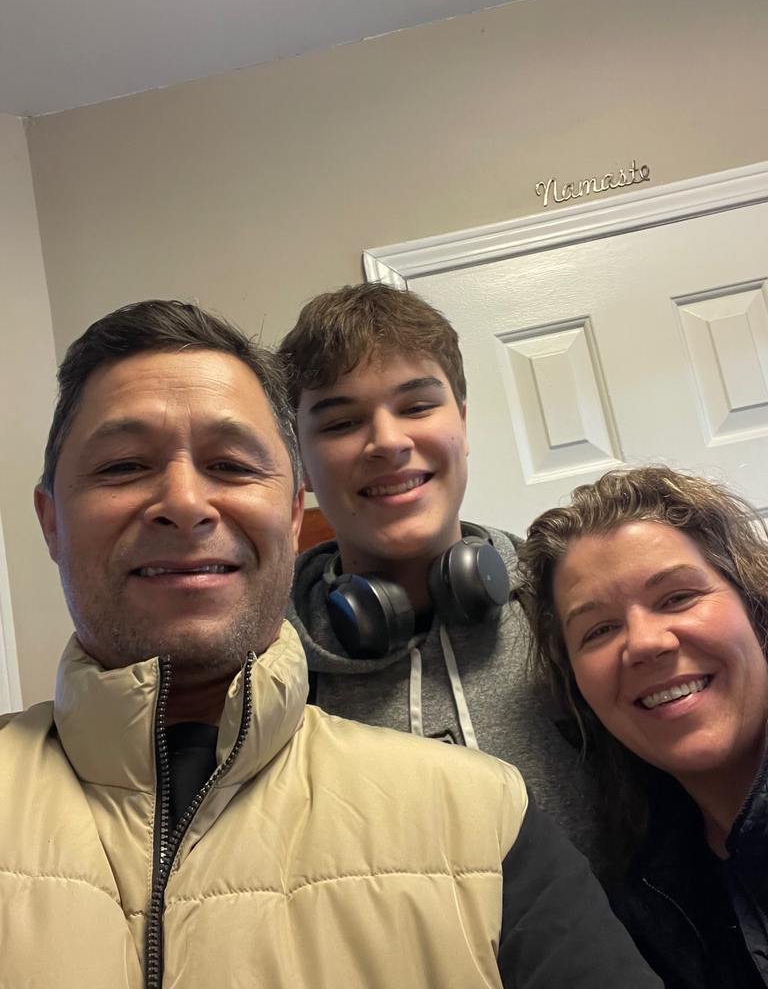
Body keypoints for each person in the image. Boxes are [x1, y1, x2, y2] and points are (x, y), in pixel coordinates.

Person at [0, 299, 661, 988]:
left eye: (229, 464)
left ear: (290, 516)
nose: (186, 501)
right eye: (122, 467)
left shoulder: (522, 749)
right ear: (50, 521)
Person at [278, 282, 601, 863]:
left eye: (417, 406)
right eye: (339, 423)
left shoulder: (571, 601)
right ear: (298, 462)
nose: (387, 442)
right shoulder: (265, 663)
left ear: (464, 424)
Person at [519, 465, 768, 989]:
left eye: (677, 597)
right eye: (600, 629)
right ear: (576, 687)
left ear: (755, 605)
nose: (645, 643)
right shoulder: (647, 897)